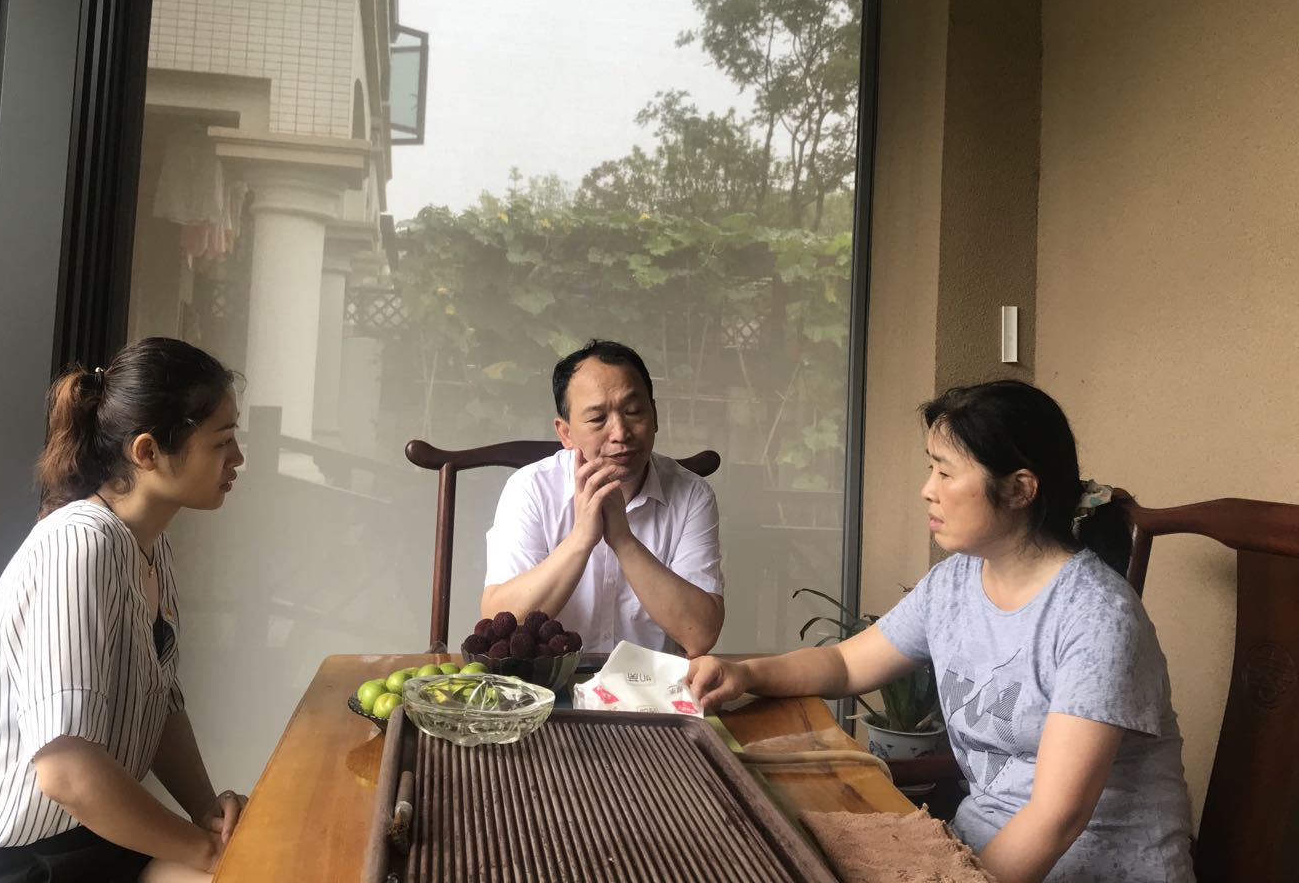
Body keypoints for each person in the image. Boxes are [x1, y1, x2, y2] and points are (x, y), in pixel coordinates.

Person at [686, 380, 1195, 883]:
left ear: (1020, 489)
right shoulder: (954, 582)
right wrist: (744, 673)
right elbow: (844, 664)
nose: (927, 489)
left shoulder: (1097, 618)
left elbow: (1056, 818)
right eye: (930, 468)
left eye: (946, 472)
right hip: (973, 854)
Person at [0, 337, 248, 883]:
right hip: (13, 864)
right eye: (222, 440)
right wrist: (209, 854)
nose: (237, 458)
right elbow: (66, 773)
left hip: (88, 839)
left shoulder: (149, 545)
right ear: (147, 452)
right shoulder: (80, 546)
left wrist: (208, 816)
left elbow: (159, 703)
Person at [481, 339, 724, 657]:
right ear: (565, 433)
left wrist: (623, 541)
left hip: (652, 685)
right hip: (548, 684)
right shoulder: (530, 489)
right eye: (597, 419)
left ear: (654, 416)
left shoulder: (691, 495)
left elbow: (700, 635)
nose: (620, 433)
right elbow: (499, 625)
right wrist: (581, 539)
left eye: (633, 411)